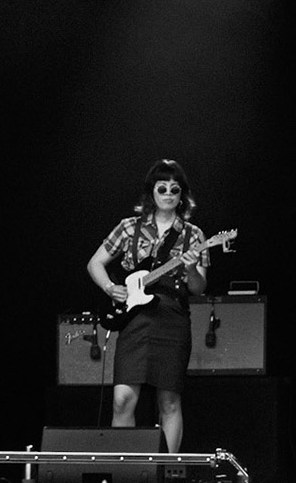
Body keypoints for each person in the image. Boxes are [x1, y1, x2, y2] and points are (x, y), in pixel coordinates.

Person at [85, 159, 209, 453]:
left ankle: (167, 470)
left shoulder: (194, 235)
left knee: (169, 400)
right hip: (135, 319)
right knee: (122, 399)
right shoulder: (130, 227)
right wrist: (109, 287)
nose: (168, 194)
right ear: (151, 192)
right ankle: (126, 469)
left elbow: (199, 287)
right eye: (162, 187)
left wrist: (191, 269)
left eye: (175, 189)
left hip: (172, 317)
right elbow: (95, 263)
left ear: (182, 195)